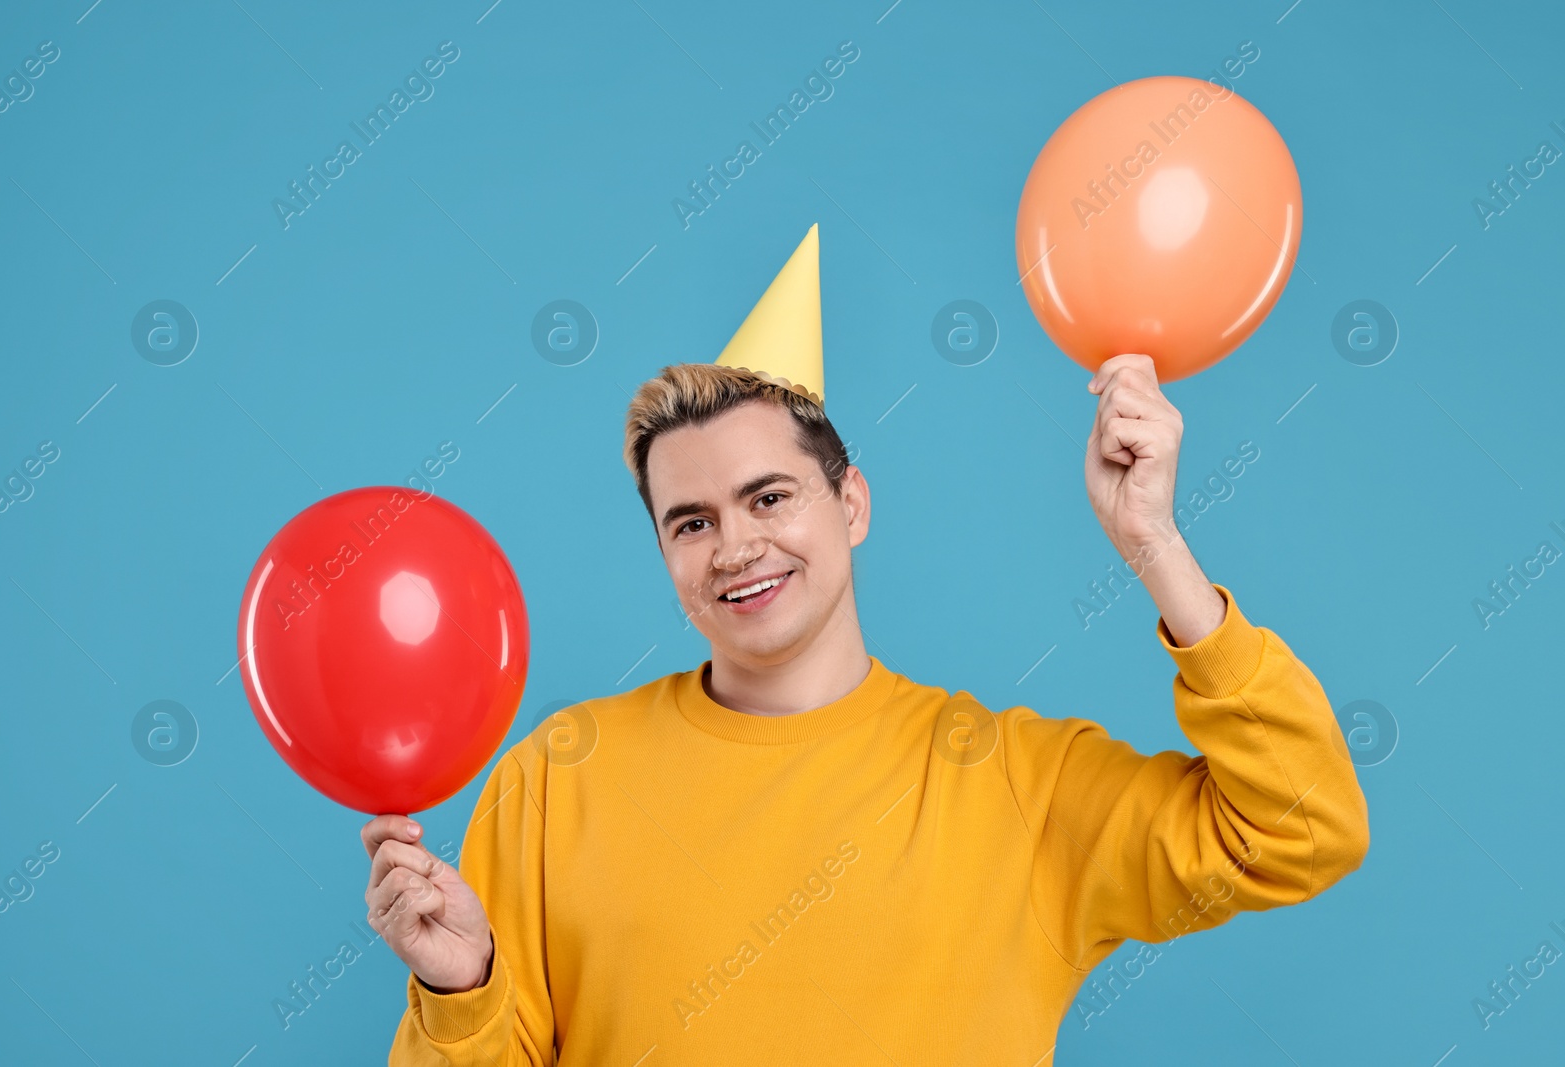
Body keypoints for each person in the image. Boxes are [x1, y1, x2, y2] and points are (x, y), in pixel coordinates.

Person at [361, 225, 1369, 1065]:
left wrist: (1154, 545)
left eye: (768, 496)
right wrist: (461, 988)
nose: (735, 546)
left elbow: (1301, 826)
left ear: (851, 503)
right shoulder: (554, 779)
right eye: (691, 520)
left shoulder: (1013, 781)